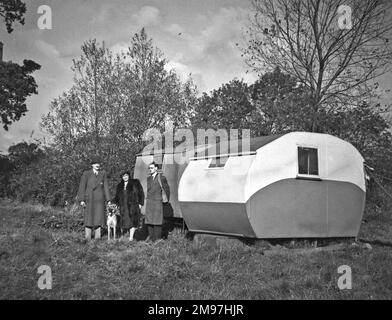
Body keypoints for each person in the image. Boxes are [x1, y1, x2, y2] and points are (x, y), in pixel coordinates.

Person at [77, 156, 111, 240]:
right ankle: (87, 238)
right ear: (92, 165)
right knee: (89, 218)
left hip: (99, 200)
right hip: (89, 199)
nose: (97, 165)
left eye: (98, 164)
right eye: (95, 163)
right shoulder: (86, 173)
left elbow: (106, 187)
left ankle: (97, 238)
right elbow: (82, 187)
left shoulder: (103, 173)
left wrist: (108, 199)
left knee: (98, 218)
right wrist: (81, 199)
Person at [112, 171, 144, 241]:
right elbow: (117, 197)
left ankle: (131, 237)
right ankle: (123, 235)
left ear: (129, 175)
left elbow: (141, 193)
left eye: (126, 175)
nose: (125, 177)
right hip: (123, 206)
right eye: (123, 176)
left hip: (132, 206)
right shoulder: (120, 185)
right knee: (123, 222)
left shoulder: (135, 183)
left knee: (132, 221)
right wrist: (113, 203)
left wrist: (141, 203)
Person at [144, 162, 170, 241]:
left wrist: (165, 200)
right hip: (149, 202)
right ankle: (152, 238)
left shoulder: (161, 178)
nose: (150, 169)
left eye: (152, 168)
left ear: (156, 168)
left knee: (157, 221)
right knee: (149, 221)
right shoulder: (148, 178)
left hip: (158, 202)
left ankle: (158, 239)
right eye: (149, 168)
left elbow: (167, 189)